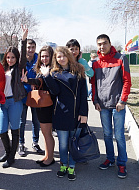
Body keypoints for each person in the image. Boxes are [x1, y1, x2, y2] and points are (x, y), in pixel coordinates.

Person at [41, 46, 88, 181]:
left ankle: (72, 166)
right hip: (61, 113)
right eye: (58, 57)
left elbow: (83, 94)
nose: (61, 59)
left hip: (75, 113)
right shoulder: (54, 73)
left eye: (63, 56)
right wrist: (47, 76)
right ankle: (63, 165)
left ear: (68, 55)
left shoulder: (78, 71)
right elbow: (55, 92)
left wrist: (84, 113)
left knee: (73, 143)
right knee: (62, 144)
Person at [91, 34, 131, 179]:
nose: (102, 47)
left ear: (110, 43)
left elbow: (127, 81)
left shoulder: (121, 59)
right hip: (102, 105)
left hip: (117, 105)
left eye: (105, 43)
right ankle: (110, 159)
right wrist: (95, 100)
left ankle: (122, 163)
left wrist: (122, 100)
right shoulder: (95, 63)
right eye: (99, 44)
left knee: (119, 135)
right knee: (107, 134)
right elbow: (93, 84)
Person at [0, 25, 28, 168]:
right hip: (3, 103)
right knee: (2, 130)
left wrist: (23, 39)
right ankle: (7, 152)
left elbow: (22, 55)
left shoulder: (19, 68)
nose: (10, 60)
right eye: (8, 57)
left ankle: (11, 157)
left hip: (15, 103)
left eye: (13, 57)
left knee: (15, 129)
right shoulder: (2, 69)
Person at [21, 45, 55, 167]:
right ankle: (47, 155)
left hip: (48, 105)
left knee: (47, 133)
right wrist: (28, 81)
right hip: (42, 105)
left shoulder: (53, 69)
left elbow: (48, 85)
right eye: (42, 56)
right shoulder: (42, 68)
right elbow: (38, 82)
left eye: (47, 56)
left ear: (51, 57)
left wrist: (45, 76)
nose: (44, 58)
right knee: (45, 133)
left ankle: (50, 158)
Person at [19, 38, 44, 157]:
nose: (30, 50)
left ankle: (35, 143)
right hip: (23, 96)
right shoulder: (21, 61)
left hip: (35, 96)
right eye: (28, 47)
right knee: (21, 122)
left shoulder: (39, 60)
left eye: (33, 47)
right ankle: (21, 143)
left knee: (36, 121)